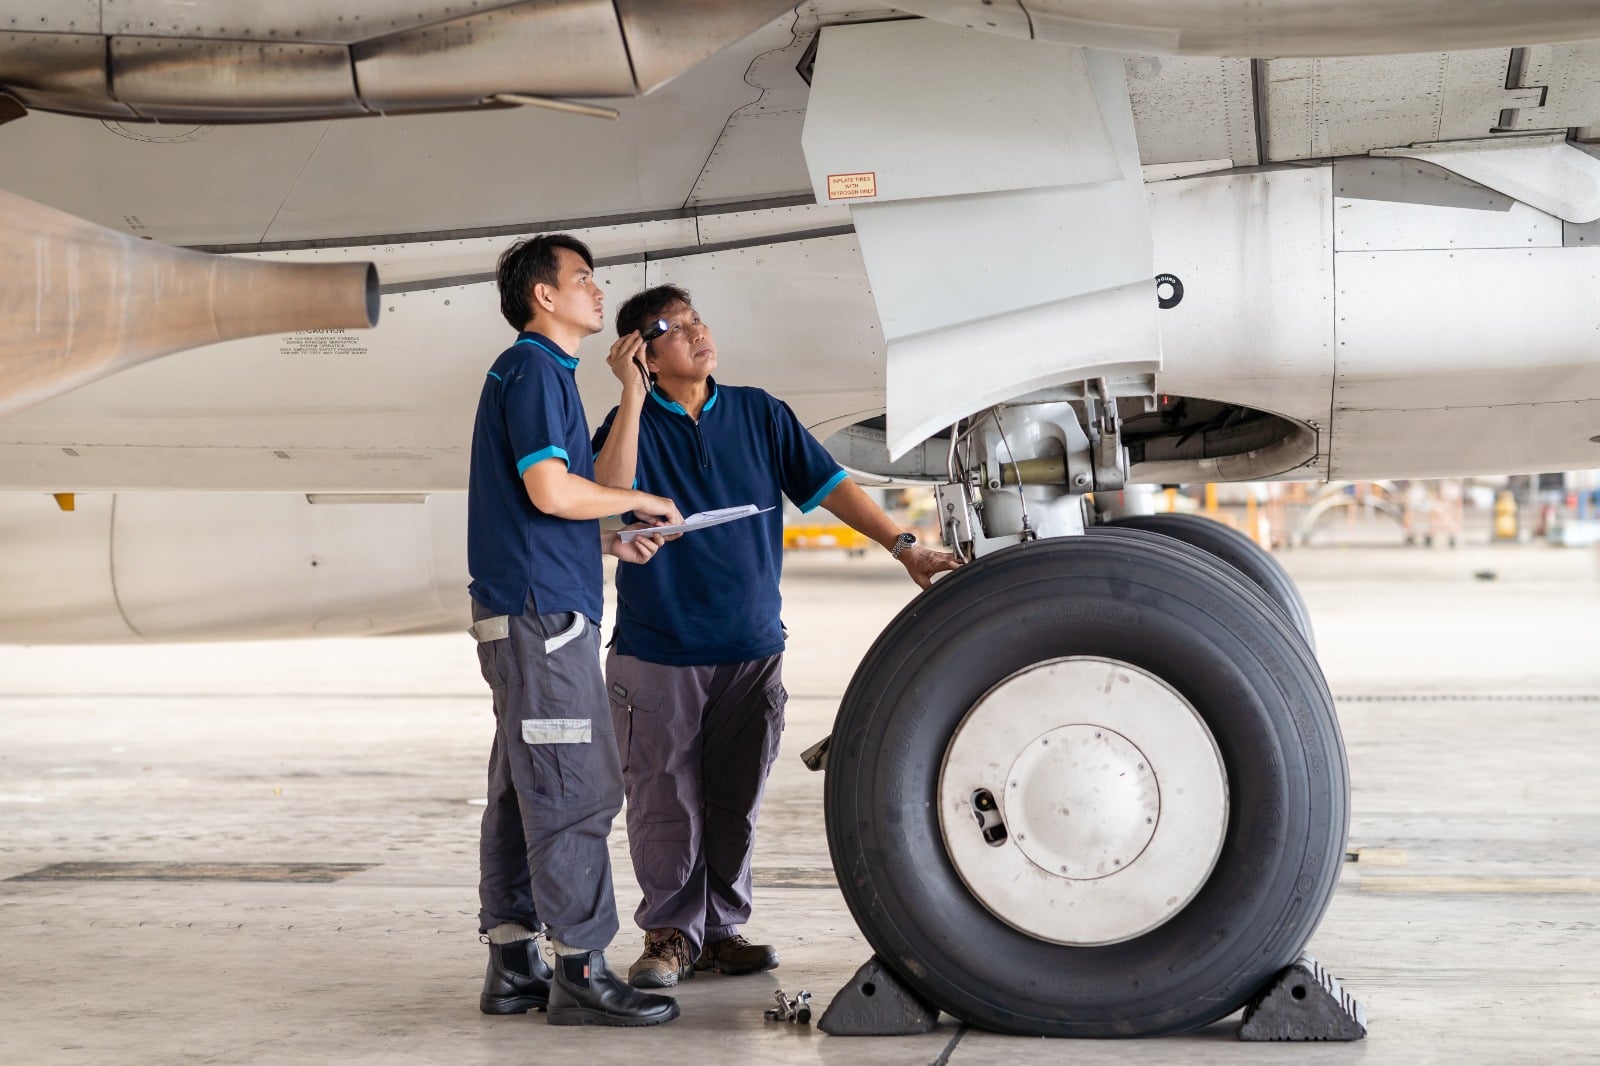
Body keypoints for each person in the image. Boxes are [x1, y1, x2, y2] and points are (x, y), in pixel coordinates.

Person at [590, 285, 961, 988]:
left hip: (752, 645)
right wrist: (633, 399)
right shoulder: (626, 421)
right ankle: (671, 934)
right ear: (643, 355)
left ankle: (721, 930)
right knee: (665, 801)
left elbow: (829, 484)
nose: (700, 335)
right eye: (678, 330)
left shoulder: (760, 412)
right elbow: (607, 499)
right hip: (658, 650)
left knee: (735, 798)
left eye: (701, 320)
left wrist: (905, 544)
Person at [467, 235, 689, 1027]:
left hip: (530, 611)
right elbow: (552, 488)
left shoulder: (543, 374)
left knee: (524, 788)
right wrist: (649, 507)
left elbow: (563, 504)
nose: (599, 291)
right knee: (573, 788)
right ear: (544, 297)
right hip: (542, 623)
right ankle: (582, 970)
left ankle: (515, 961)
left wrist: (606, 536)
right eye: (583, 280)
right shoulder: (531, 368)